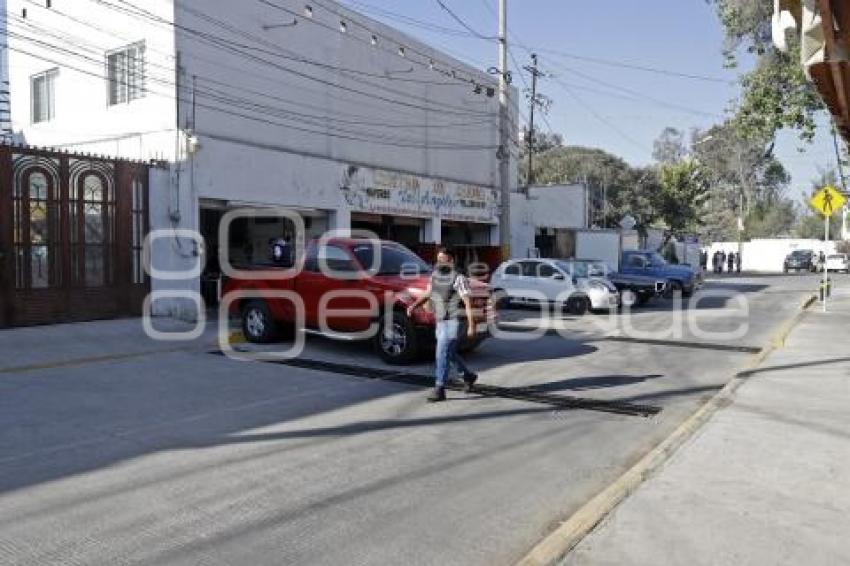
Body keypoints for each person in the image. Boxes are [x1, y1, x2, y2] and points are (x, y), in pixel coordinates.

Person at [407, 248, 478, 402]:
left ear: (451, 261)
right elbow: (428, 293)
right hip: (441, 321)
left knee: (441, 354)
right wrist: (414, 305)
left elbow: (468, 303)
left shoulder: (459, 278)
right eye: (438, 260)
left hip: (455, 321)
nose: (439, 263)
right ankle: (468, 376)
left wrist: (472, 326)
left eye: (443, 260)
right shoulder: (435, 276)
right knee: (449, 354)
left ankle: (440, 389)